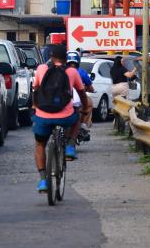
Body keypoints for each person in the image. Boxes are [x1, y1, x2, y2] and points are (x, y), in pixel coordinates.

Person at [32, 44, 86, 193]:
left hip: (43, 116)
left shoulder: (42, 69)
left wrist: (35, 106)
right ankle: (69, 145)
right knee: (77, 116)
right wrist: (86, 108)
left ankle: (43, 180)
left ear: (51, 56)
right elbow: (81, 94)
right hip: (65, 117)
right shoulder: (72, 71)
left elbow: (35, 89)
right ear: (66, 59)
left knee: (39, 145)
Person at [66, 50, 94, 139]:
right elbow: (90, 87)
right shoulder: (81, 72)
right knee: (89, 104)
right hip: (77, 98)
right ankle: (83, 125)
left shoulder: (61, 70)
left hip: (62, 98)